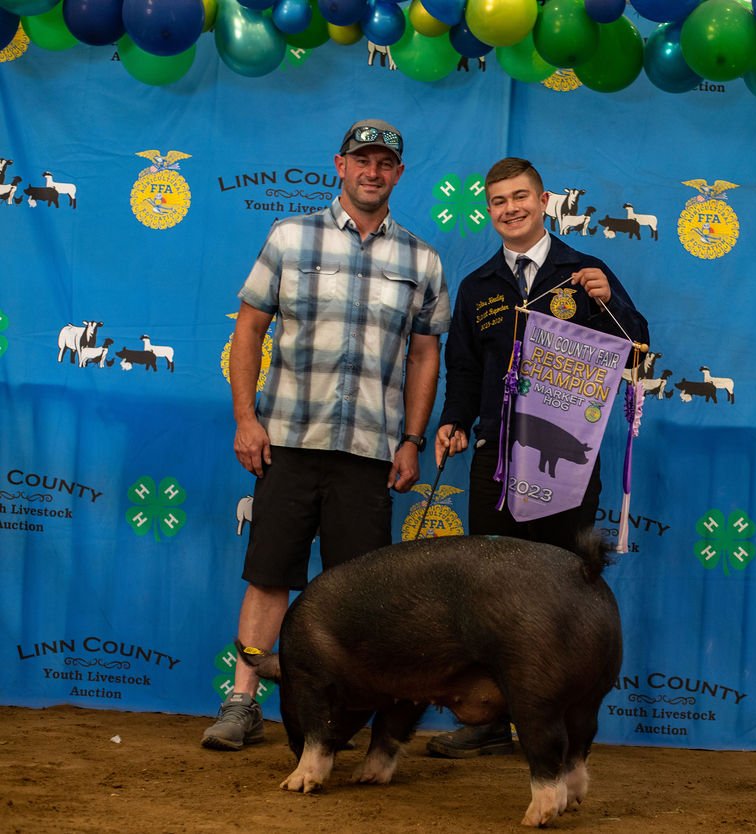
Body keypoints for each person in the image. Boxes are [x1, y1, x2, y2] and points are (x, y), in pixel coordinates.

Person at [201, 119, 450, 751]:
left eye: (385, 163)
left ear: (398, 174)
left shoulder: (422, 259)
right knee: (268, 575)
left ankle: (347, 713)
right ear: (339, 165)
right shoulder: (289, 236)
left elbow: (425, 355)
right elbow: (250, 329)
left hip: (369, 452)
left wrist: (412, 439)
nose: (373, 171)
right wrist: (245, 419)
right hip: (286, 438)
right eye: (361, 160)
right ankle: (242, 702)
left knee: (361, 595)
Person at [426, 157, 649, 758]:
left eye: (520, 197)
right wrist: (452, 423)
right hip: (497, 462)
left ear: (544, 200)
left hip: (568, 466)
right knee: (489, 594)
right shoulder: (478, 286)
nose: (510, 209)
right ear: (490, 209)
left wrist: (616, 309)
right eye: (498, 201)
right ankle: (492, 719)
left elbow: (636, 357)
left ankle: (564, 724)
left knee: (565, 592)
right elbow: (465, 371)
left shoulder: (586, 272)